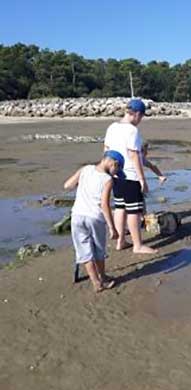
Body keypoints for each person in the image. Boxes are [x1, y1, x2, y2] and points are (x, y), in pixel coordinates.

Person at [64, 151, 124, 292]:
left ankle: (96, 282)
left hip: (77, 216)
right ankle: (102, 277)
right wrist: (112, 227)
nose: (116, 173)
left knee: (84, 251)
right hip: (94, 218)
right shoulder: (107, 180)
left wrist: (83, 184)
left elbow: (67, 185)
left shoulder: (85, 169)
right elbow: (104, 205)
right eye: (117, 169)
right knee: (98, 250)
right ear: (113, 163)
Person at [104, 99, 157, 254]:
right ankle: (137, 245)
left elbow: (106, 150)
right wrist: (142, 179)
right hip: (130, 175)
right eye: (141, 117)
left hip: (116, 174)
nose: (140, 121)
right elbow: (134, 155)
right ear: (137, 114)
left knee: (120, 207)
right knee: (133, 211)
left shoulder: (112, 127)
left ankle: (121, 241)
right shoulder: (132, 130)